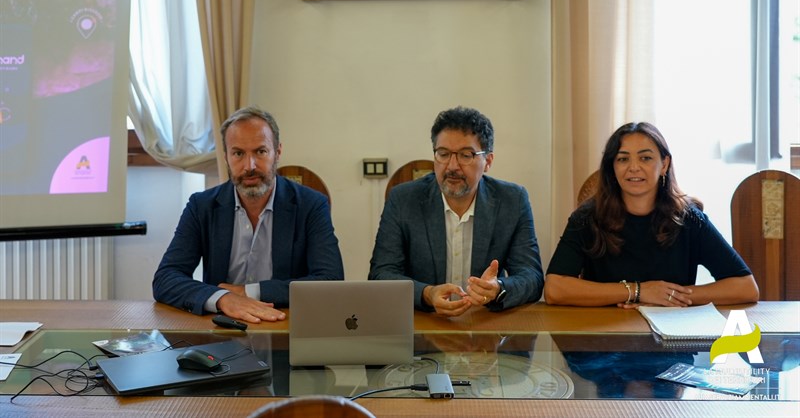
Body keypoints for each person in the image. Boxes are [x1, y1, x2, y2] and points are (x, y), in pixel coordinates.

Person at [153, 106, 344, 323]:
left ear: (277, 152)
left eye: (260, 152)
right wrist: (223, 298)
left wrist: (249, 292)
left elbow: (330, 281)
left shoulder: (311, 204)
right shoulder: (202, 206)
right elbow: (166, 278)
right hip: (222, 329)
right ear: (226, 157)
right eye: (238, 153)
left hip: (285, 325)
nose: (249, 166)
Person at [545, 122, 759, 307]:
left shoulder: (688, 219)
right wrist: (637, 291)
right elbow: (555, 289)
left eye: (645, 158)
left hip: (671, 333)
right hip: (603, 331)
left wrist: (667, 297)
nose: (634, 167)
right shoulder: (587, 218)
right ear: (612, 167)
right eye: (623, 159)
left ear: (664, 164)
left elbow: (745, 287)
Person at [369, 106, 544, 316]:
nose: (452, 166)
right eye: (443, 154)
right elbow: (381, 274)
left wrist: (498, 289)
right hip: (425, 322)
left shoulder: (512, 201)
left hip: (484, 323)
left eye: (465, 155)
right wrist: (427, 294)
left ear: (488, 161)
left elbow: (532, 277)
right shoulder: (403, 199)